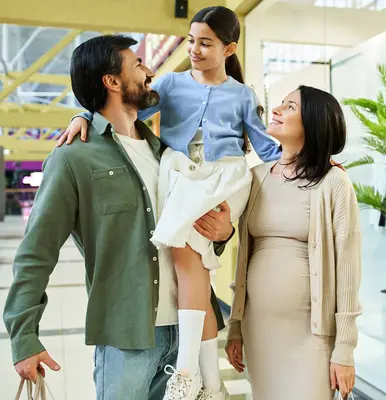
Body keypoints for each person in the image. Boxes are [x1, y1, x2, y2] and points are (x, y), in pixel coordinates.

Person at [57, 6, 280, 400]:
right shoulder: (173, 85)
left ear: (229, 49)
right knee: (193, 273)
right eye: (191, 40)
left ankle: (188, 373)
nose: (194, 49)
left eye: (205, 43)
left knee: (187, 265)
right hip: (183, 177)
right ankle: (209, 384)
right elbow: (125, 109)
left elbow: (264, 146)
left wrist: (313, 158)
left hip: (223, 179)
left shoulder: (243, 95)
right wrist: (84, 115)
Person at [3, 35, 234, 400]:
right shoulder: (73, 158)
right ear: (111, 81)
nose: (149, 71)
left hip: (190, 332)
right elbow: (36, 252)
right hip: (128, 337)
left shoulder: (167, 154)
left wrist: (223, 233)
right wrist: (23, 337)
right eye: (138, 64)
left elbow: (195, 233)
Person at [225, 86, 362, 400]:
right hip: (258, 331)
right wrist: (235, 326)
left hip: (311, 336)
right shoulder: (256, 177)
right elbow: (242, 260)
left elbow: (348, 270)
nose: (276, 110)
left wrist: (344, 348)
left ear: (313, 122)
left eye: (289, 107)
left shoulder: (333, 181)